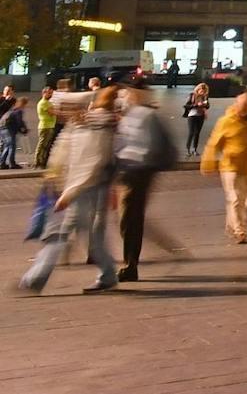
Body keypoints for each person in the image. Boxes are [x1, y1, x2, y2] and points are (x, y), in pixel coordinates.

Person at [20, 85, 122, 294]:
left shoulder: (96, 126)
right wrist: (54, 176)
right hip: (83, 188)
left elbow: (93, 163)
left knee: (61, 234)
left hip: (86, 189)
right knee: (89, 237)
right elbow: (64, 151)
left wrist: (68, 192)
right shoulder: (82, 124)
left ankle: (34, 280)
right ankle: (108, 274)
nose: (58, 113)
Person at [113, 79, 178, 282]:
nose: (124, 96)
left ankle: (130, 265)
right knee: (128, 219)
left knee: (131, 219)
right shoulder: (131, 114)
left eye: (127, 92)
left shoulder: (146, 115)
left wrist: (131, 162)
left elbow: (149, 146)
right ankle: (130, 263)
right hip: (129, 172)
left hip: (138, 173)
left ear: (137, 93)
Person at [199, 89, 247, 243]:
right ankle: (239, 230)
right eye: (241, 104)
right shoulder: (226, 121)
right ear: (236, 103)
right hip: (231, 166)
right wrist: (208, 162)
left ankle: (234, 224)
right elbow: (214, 143)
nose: (244, 107)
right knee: (235, 198)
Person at [33, 86, 58, 168]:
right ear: (44, 93)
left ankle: (41, 161)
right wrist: (57, 110)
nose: (51, 95)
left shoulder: (47, 102)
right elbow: (51, 113)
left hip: (49, 126)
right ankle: (38, 162)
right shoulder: (44, 103)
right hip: (45, 127)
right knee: (42, 146)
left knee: (45, 146)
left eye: (52, 93)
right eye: (49, 93)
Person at [183, 82, 211, 156]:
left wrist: (205, 105)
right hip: (192, 116)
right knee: (191, 132)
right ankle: (188, 149)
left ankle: (194, 149)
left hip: (200, 116)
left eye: (204, 92)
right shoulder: (192, 95)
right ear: (198, 90)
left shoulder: (204, 97)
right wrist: (196, 105)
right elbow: (186, 105)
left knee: (197, 133)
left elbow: (208, 106)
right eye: (201, 91)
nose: (203, 93)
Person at [0, 92, 24, 169]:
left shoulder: (11, 110)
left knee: (7, 146)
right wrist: (23, 130)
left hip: (2, 127)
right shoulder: (18, 110)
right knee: (12, 146)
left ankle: (2, 163)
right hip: (8, 128)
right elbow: (19, 122)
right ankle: (12, 163)